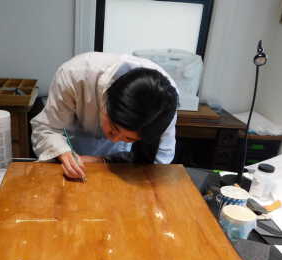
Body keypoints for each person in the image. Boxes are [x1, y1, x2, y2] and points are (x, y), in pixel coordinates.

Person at [31, 52, 178, 180]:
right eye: (113, 129)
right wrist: (63, 152)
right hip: (74, 148)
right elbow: (47, 128)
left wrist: (105, 160)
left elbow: (160, 160)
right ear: (106, 102)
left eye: (129, 138)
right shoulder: (75, 75)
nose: (114, 139)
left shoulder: (163, 104)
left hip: (123, 162)